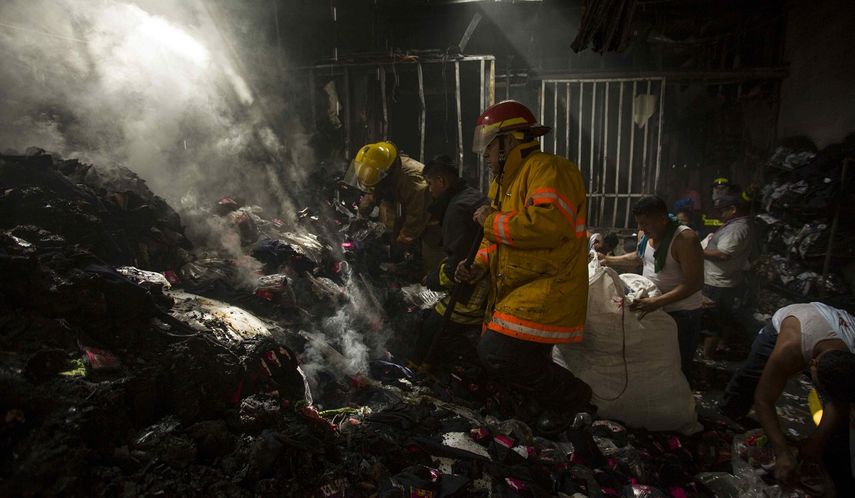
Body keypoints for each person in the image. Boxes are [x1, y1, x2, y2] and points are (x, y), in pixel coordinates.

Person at [454, 100, 592, 431]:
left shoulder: (549, 169)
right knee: (522, 359)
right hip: (519, 287)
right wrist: (477, 265)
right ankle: (549, 416)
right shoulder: (503, 182)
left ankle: (576, 397)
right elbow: (495, 241)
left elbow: (546, 225)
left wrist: (492, 220)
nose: (485, 155)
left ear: (510, 141)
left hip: (548, 285)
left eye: (490, 146)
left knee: (497, 351)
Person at [721, 302, 855, 490]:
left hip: (829, 324)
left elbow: (838, 401)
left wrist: (814, 444)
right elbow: (763, 399)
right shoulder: (789, 348)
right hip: (796, 318)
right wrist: (782, 451)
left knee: (835, 424)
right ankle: (729, 414)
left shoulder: (849, 362)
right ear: (812, 364)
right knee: (750, 376)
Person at [600, 196, 704, 376]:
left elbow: (694, 283)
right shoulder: (645, 235)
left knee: (678, 363)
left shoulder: (685, 239)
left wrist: (657, 301)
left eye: (645, 224)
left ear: (662, 219)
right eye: (639, 223)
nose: (640, 229)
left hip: (681, 313)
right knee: (656, 360)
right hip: (654, 307)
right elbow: (640, 257)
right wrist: (608, 260)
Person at [411, 155, 489, 366]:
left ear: (441, 182)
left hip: (476, 286)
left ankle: (428, 370)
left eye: (429, 183)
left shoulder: (456, 210)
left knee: (433, 325)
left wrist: (433, 280)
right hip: (490, 274)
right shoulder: (471, 195)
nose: (429, 190)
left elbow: (458, 263)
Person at [347, 141, 443, 271]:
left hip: (431, 221)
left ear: (388, 173)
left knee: (430, 262)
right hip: (402, 204)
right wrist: (361, 215)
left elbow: (416, 218)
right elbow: (373, 190)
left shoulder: (414, 181)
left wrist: (400, 246)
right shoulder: (381, 169)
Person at [700, 194, 754, 359]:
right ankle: (718, 348)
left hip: (718, 282)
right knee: (722, 317)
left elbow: (723, 254)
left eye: (722, 211)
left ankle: (707, 358)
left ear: (733, 209)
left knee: (712, 321)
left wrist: (697, 251)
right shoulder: (735, 225)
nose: (719, 215)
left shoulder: (736, 229)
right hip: (724, 279)